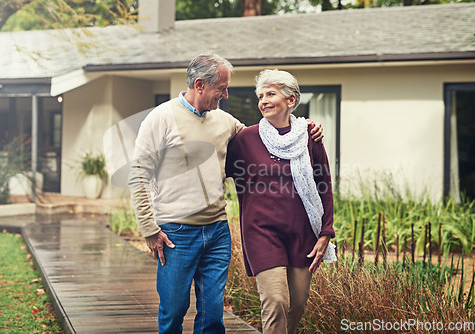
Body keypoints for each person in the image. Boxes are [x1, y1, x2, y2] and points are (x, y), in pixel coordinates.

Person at [128, 54, 323, 334]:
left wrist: (305, 129)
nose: (226, 94)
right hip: (175, 234)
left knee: (212, 315)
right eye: (222, 87)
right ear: (200, 85)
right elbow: (138, 174)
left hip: (217, 232)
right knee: (173, 311)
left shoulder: (225, 121)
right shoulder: (161, 118)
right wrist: (149, 228)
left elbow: (266, 140)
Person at [226, 69, 337, 334]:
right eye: (260, 95)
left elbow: (324, 183)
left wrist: (326, 231)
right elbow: (214, 169)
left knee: (296, 305)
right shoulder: (245, 139)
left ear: (290, 100)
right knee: (276, 302)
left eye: (270, 94)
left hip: (302, 233)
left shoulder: (310, 135)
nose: (263, 100)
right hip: (261, 233)